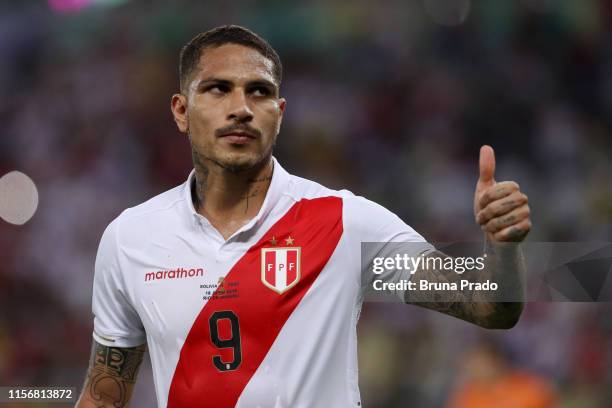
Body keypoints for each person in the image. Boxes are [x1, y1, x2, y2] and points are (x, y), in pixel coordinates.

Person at [76, 25, 531, 408]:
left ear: (280, 113)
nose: (241, 107)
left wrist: (502, 246)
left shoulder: (345, 223)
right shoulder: (130, 238)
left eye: (260, 92)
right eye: (218, 89)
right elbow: (103, 397)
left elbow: (490, 306)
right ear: (181, 110)